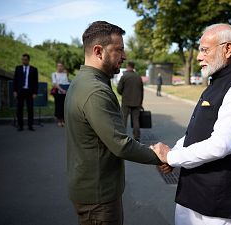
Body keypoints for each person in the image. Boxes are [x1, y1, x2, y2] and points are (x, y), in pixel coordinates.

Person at [152, 23, 231, 225]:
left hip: (222, 204)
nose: (198, 57)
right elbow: (197, 132)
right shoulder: (218, 80)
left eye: (205, 50)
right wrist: (172, 155)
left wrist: (171, 156)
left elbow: (221, 144)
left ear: (227, 49)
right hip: (194, 194)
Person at [65, 21, 162, 225]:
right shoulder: (95, 90)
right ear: (98, 51)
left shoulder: (83, 80)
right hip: (98, 196)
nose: (124, 56)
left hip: (91, 187)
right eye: (118, 50)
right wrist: (161, 156)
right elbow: (121, 144)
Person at [117, 61, 143, 141]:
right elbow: (141, 91)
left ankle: (122, 137)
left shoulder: (124, 76)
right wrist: (140, 102)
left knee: (123, 120)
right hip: (137, 102)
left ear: (128, 66)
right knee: (136, 120)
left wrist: (123, 94)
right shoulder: (138, 77)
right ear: (133, 67)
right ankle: (137, 137)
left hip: (126, 101)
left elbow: (119, 89)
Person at [13, 53, 38, 131]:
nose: (24, 61)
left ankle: (30, 125)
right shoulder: (18, 68)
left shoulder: (34, 69)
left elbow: (35, 82)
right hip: (20, 91)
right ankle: (20, 126)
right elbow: (15, 80)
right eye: (22, 59)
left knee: (30, 109)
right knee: (19, 109)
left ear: (28, 60)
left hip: (29, 91)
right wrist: (14, 91)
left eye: (25, 60)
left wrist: (35, 92)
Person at [51, 63, 69, 127]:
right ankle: (59, 120)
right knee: (58, 106)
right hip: (58, 92)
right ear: (56, 67)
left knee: (64, 106)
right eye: (58, 66)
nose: (60, 67)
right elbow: (54, 83)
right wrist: (61, 89)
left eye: (61, 66)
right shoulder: (54, 74)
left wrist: (65, 90)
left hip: (65, 92)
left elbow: (66, 82)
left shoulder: (65, 74)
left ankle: (63, 120)